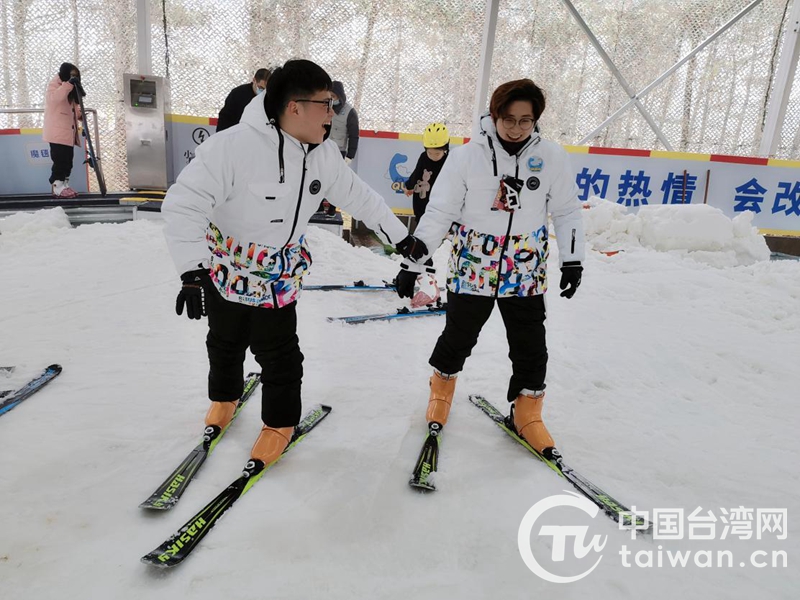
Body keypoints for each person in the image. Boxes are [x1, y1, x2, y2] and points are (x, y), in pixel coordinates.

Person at [162, 59, 422, 466]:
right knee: (224, 342)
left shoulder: (325, 156)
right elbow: (183, 205)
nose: (333, 114)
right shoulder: (231, 148)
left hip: (279, 272)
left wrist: (401, 239)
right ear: (294, 106)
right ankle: (224, 398)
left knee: (279, 352)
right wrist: (192, 270)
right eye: (326, 103)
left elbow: (363, 199)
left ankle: (280, 422)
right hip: (226, 265)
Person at [395, 79, 585, 456]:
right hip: (474, 261)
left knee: (530, 342)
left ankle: (528, 410)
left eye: (526, 120)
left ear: (536, 121)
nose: (516, 128)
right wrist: (412, 262)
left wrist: (573, 259)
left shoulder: (551, 157)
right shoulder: (467, 156)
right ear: (494, 115)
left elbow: (566, 210)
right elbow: (441, 211)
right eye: (509, 119)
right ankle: (441, 392)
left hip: (524, 263)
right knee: (459, 335)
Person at [43, 62, 85, 198]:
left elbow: (73, 105)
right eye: (71, 75)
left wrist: (79, 115)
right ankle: (57, 186)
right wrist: (68, 84)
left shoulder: (70, 88)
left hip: (68, 133)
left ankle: (64, 184)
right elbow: (54, 99)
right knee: (59, 160)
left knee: (68, 161)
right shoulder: (56, 84)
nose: (73, 78)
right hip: (57, 132)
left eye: (76, 76)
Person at [404, 123, 450, 221]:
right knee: (421, 223)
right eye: (430, 153)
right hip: (422, 203)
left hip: (440, 205)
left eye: (437, 153)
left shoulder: (449, 161)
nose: (433, 156)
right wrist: (409, 187)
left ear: (445, 149)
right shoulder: (423, 157)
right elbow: (416, 173)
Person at [215, 68, 271, 132]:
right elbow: (225, 116)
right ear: (254, 80)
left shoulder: (268, 97)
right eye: (260, 88)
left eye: (265, 89)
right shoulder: (238, 94)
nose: (263, 91)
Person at [328, 81, 359, 163]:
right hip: (324, 148)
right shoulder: (325, 108)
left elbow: (354, 135)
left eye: (333, 96)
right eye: (329, 96)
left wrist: (350, 156)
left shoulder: (350, 112)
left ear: (339, 95)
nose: (331, 99)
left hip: (339, 151)